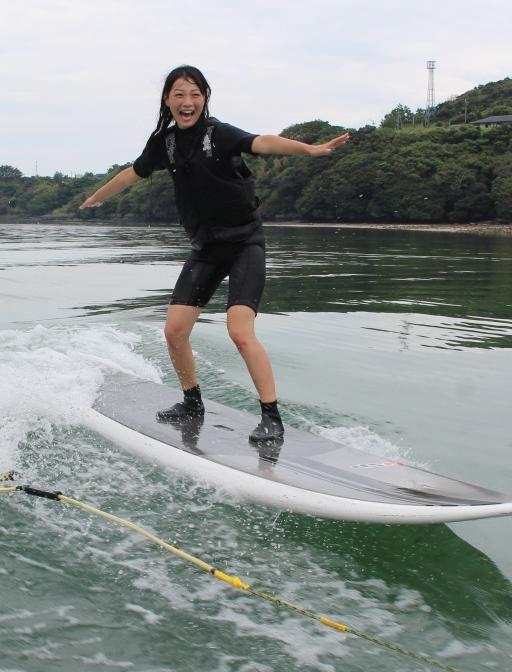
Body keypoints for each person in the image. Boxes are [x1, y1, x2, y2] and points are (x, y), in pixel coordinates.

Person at [81, 65, 348, 443]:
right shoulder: (166, 142)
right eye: (179, 94)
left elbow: (263, 142)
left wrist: (308, 149)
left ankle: (271, 417)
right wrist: (97, 197)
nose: (187, 101)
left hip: (244, 244)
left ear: (205, 98)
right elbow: (133, 172)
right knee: (174, 331)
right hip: (206, 248)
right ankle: (192, 402)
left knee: (240, 332)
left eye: (195, 93)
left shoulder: (218, 134)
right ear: (167, 100)